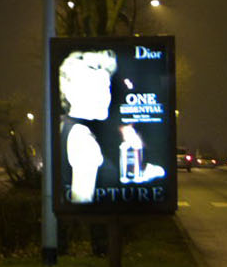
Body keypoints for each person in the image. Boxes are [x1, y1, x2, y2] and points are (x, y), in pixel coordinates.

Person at [58, 49, 166, 204]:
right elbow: (81, 203)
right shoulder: (83, 140)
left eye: (106, 86)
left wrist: (141, 174)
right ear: (69, 91)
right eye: (94, 87)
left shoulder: (68, 125)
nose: (104, 96)